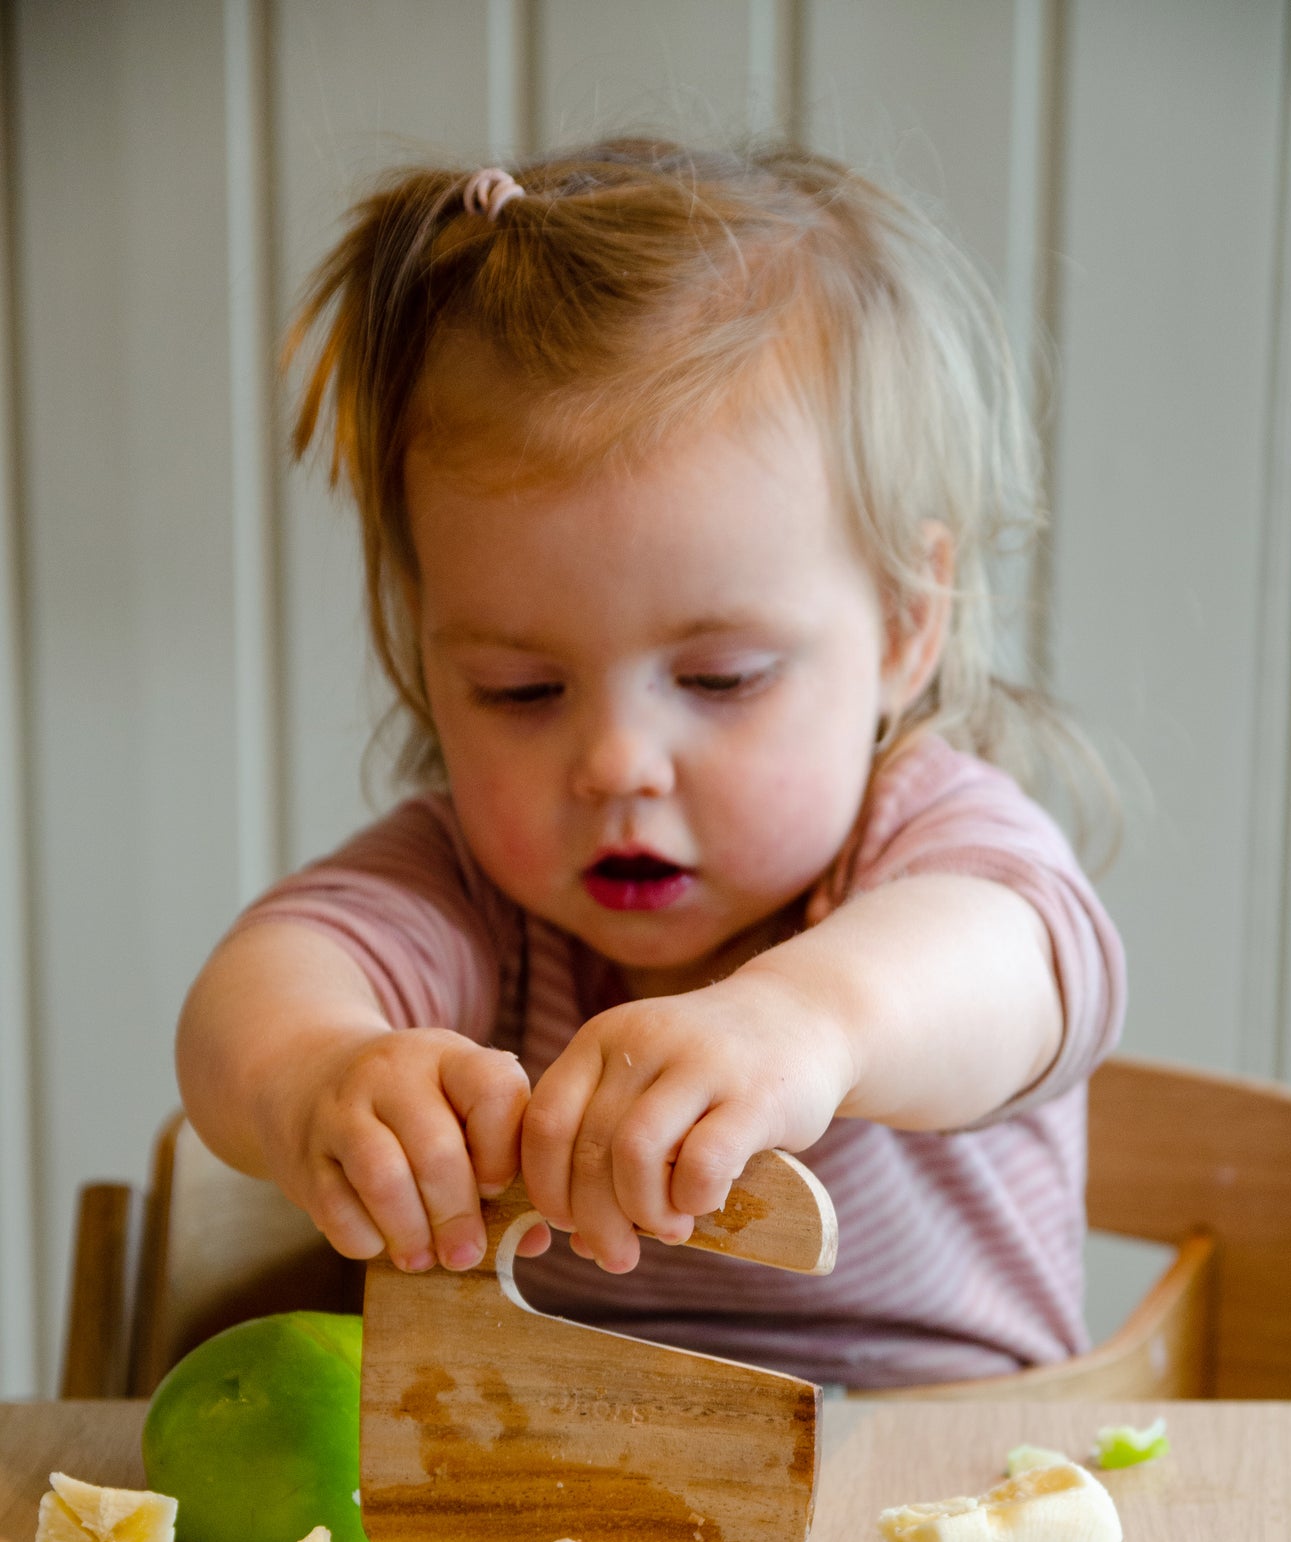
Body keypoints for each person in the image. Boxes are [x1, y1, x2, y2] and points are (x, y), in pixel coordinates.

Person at [177, 139, 1125, 1390]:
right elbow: (262, 986)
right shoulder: (473, 887)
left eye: (719, 680)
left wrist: (803, 1024)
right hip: (556, 1467)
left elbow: (1019, 961)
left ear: (907, 624)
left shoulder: (925, 843)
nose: (617, 762)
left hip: (940, 1460)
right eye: (521, 691)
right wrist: (312, 1075)